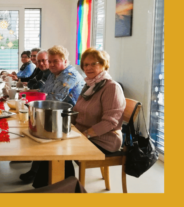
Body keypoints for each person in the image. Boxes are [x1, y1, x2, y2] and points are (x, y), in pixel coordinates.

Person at [32, 47, 126, 188]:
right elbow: (76, 110)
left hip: (104, 139)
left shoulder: (111, 87)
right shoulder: (90, 85)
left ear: (104, 64)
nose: (88, 68)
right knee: (51, 141)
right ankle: (47, 187)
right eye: (86, 65)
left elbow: (110, 122)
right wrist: (66, 129)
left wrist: (85, 134)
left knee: (60, 149)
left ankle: (67, 190)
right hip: (83, 132)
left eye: (93, 63)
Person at [20, 45, 84, 184]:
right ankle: (38, 171)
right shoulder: (54, 74)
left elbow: (55, 100)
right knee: (28, 124)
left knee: (37, 128)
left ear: (65, 61)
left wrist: (31, 106)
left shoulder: (69, 76)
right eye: (50, 61)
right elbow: (44, 93)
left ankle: (41, 175)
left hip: (71, 118)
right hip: (57, 113)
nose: (51, 64)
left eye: (56, 61)